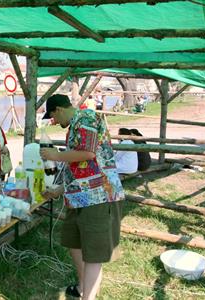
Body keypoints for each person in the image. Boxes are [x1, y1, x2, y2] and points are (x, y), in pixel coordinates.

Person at [40, 94, 124, 300]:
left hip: (99, 196)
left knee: (93, 253)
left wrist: (55, 155)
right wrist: (59, 190)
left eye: (52, 117)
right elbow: (77, 168)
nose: (53, 122)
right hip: (77, 197)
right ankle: (82, 287)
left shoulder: (86, 118)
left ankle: (89, 297)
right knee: (74, 243)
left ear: (58, 109)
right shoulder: (73, 128)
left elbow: (88, 153)